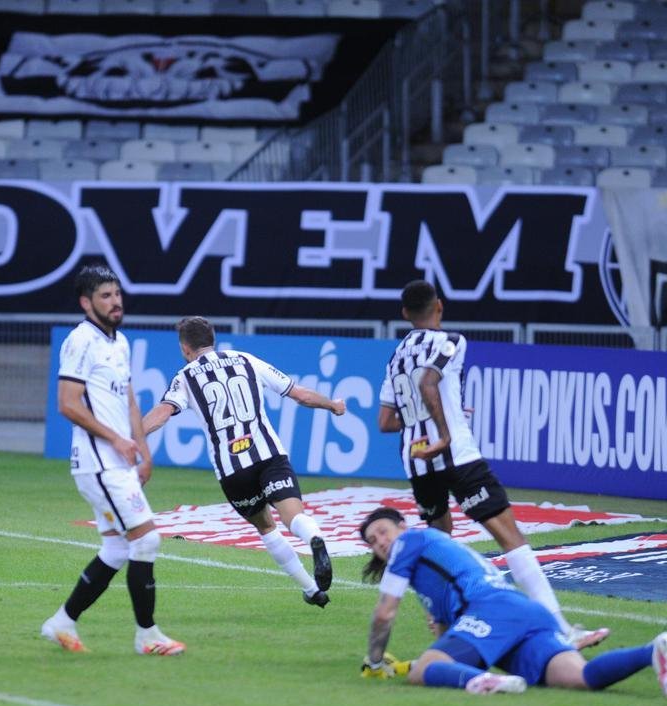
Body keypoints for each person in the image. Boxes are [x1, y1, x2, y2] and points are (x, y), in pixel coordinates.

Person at [379, 279, 608, 649]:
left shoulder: (396, 356)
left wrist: (441, 418)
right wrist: (445, 433)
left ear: (404, 314)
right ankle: (561, 630)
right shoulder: (450, 340)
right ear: (439, 306)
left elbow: (387, 422)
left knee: (441, 548)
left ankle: (444, 629)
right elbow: (428, 384)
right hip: (456, 456)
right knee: (510, 538)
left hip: (417, 463)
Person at [356, 507, 667, 698]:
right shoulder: (429, 563)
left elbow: (385, 614)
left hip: (492, 610)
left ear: (403, 526)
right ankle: (652, 651)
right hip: (523, 611)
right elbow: (447, 638)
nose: (381, 543)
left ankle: (488, 682)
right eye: (373, 541)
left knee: (424, 671)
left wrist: (374, 662)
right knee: (579, 679)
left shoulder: (409, 543)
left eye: (383, 532)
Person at [142, 316, 342, 607]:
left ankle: (312, 590)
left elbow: (163, 412)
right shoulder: (246, 360)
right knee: (293, 516)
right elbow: (299, 394)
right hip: (269, 454)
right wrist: (333, 405)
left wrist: (133, 436)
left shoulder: (185, 376)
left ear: (185, 348)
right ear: (213, 338)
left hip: (232, 469)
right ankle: (314, 538)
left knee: (266, 527)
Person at [40, 264, 185, 656]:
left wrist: (144, 450)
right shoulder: (80, 341)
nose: (115, 301)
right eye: (105, 296)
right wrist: (117, 439)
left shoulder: (118, 342)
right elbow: (67, 404)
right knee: (148, 538)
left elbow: (130, 400)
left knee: (118, 549)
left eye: (117, 294)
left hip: (115, 462)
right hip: (98, 461)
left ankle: (62, 622)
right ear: (86, 303)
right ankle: (148, 636)